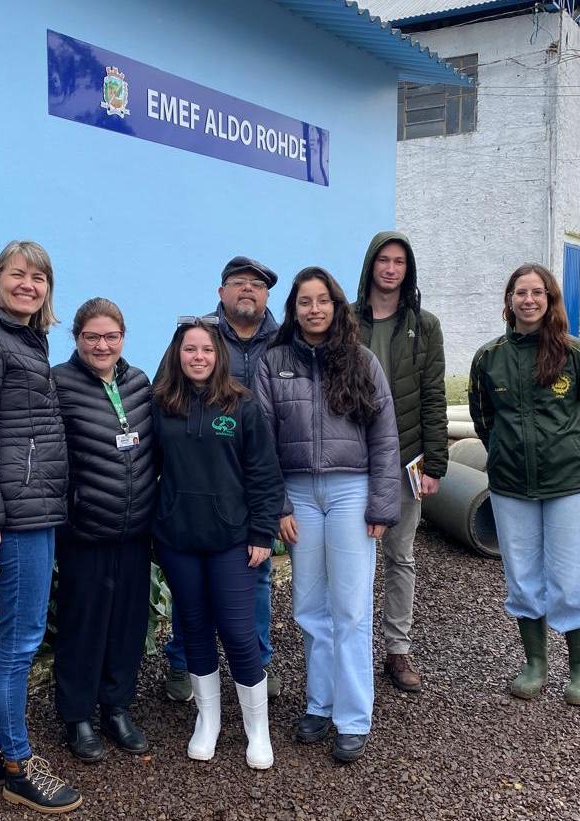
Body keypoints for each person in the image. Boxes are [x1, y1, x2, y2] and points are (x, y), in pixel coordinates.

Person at [0, 240, 81, 813]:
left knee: (16, 638)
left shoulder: (27, 339)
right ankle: (19, 764)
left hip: (34, 509)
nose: (28, 284)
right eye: (17, 274)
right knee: (21, 642)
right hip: (14, 516)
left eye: (39, 277)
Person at [254, 267, 399, 763]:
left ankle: (353, 717)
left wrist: (382, 501)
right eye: (304, 302)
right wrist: (278, 505)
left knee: (352, 608)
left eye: (322, 301)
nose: (313, 309)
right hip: (298, 494)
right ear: (293, 310)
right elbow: (263, 442)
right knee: (309, 607)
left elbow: (385, 436)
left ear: (337, 307)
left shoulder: (362, 362)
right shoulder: (272, 364)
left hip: (350, 491)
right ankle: (320, 703)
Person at [468, 262, 580, 707]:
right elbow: (483, 418)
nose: (528, 300)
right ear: (508, 301)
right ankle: (535, 663)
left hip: (571, 483)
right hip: (512, 484)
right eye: (520, 293)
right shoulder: (488, 358)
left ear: (551, 300)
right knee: (523, 576)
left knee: (572, 577)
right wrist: (502, 452)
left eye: (538, 293)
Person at [151, 317, 285, 769]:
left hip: (232, 539)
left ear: (218, 355)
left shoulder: (242, 407)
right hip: (178, 539)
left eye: (206, 350)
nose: (199, 357)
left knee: (239, 633)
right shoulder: (161, 404)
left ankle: (257, 730)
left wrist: (262, 532)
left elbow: (264, 474)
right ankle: (207, 720)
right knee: (193, 628)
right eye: (190, 349)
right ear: (178, 354)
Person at [164, 255, 282, 703]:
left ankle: (257, 664)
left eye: (256, 284)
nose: (247, 290)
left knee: (258, 578)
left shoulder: (282, 340)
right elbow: (165, 402)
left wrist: (270, 515)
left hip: (254, 478)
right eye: (238, 282)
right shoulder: (199, 335)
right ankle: (183, 664)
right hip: (196, 497)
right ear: (221, 292)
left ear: (267, 294)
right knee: (190, 594)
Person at [52, 298, 157, 762]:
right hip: (85, 531)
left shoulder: (138, 383)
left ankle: (116, 707)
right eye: (92, 337)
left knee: (127, 625)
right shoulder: (59, 383)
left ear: (123, 338)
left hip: (134, 530)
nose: (102, 345)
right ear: (77, 338)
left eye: (111, 336)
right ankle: (77, 716)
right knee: (84, 625)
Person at [353, 232, 448, 693]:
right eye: (383, 261)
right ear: (370, 265)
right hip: (353, 458)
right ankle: (351, 648)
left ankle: (397, 649)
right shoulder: (347, 323)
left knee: (400, 555)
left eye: (399, 263)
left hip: (407, 455)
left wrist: (436, 464)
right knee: (353, 555)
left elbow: (433, 396)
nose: (390, 269)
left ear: (407, 271)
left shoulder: (424, 326)